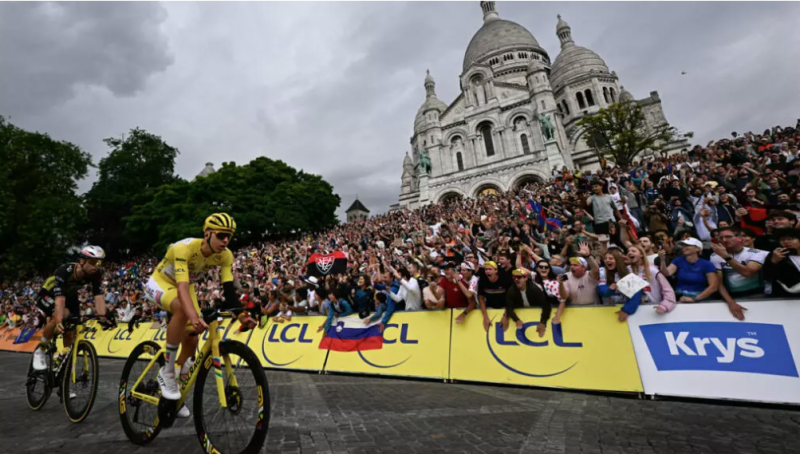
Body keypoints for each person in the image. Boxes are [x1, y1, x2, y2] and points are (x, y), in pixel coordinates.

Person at [143, 213, 256, 417]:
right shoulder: (183, 248)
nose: (226, 241)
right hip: (162, 282)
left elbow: (229, 290)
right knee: (182, 310)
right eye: (221, 235)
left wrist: (241, 316)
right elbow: (182, 287)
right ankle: (167, 372)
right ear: (207, 234)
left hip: (186, 287)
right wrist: (193, 317)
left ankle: (176, 389)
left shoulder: (225, 255)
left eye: (229, 236)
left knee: (192, 342)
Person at [32, 246, 110, 372]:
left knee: (71, 328)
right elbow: (60, 300)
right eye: (92, 262)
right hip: (49, 294)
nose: (95, 266)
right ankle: (41, 350)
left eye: (98, 262)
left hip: (70, 297)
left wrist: (103, 316)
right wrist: (59, 320)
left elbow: (99, 296)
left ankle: (63, 374)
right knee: (63, 315)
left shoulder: (96, 274)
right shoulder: (64, 271)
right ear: (82, 261)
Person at [659, 238, 719, 303]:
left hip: (700, 297)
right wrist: (662, 260)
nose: (684, 247)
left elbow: (713, 287)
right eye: (683, 245)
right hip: (679, 296)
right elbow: (666, 273)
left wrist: (694, 299)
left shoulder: (707, 264)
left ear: (698, 249)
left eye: (688, 245)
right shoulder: (678, 260)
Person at [504, 269, 551, 334]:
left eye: (519, 277)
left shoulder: (534, 289)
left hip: (537, 314)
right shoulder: (511, 290)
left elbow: (546, 305)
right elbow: (509, 307)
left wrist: (543, 322)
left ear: (525, 278)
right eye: (514, 277)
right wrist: (516, 320)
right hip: (522, 315)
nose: (516, 279)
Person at [763, 228, 800, 297]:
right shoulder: (775, 255)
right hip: (784, 297)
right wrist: (773, 262)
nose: (786, 242)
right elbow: (767, 277)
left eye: (790, 239)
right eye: (782, 240)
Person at [477, 261, 512, 332]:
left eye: (490, 269)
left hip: (505, 307)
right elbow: (481, 298)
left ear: (496, 270)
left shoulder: (505, 279)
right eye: (486, 269)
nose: (487, 271)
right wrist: (485, 317)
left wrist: (505, 316)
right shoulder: (482, 280)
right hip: (490, 307)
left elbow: (511, 298)